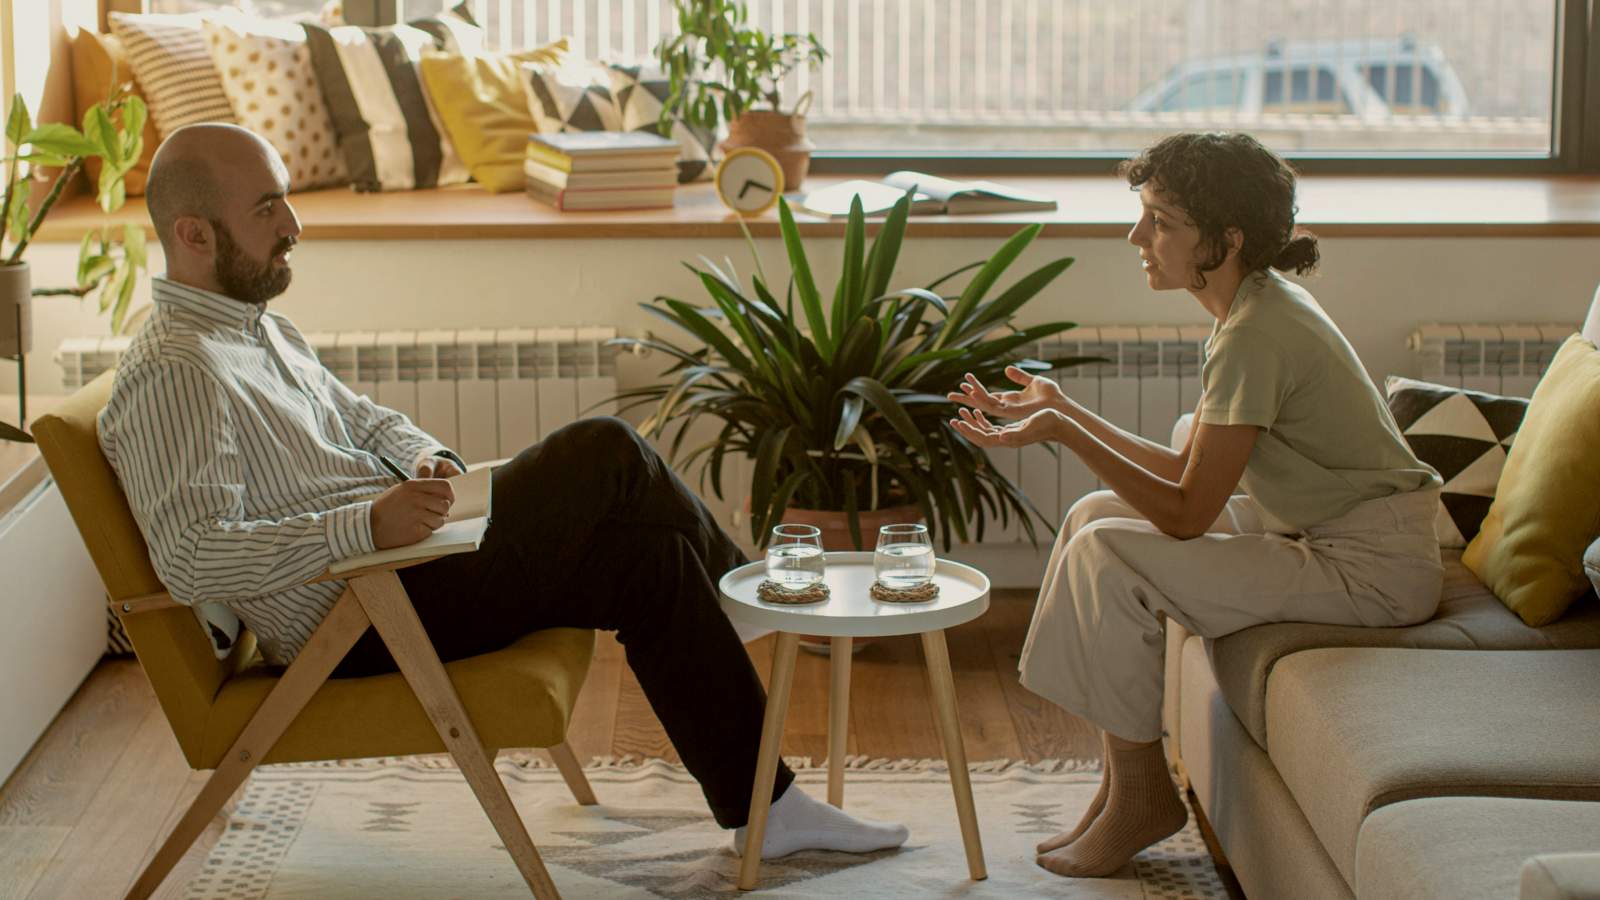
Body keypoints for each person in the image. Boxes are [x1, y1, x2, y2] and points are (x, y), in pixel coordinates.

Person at [99, 123, 908, 861]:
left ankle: (768, 811)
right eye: (267, 207)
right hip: (362, 616)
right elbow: (192, 557)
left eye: (285, 199)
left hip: (408, 564)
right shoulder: (177, 370)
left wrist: (429, 460)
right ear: (194, 234)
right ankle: (741, 599)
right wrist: (365, 526)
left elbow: (366, 420)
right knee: (603, 449)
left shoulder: (256, 328)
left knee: (652, 560)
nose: (294, 225)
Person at [947, 132, 1443, 878]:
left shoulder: (1256, 333)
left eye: (1160, 221)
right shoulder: (1253, 309)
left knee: (1108, 553)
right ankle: (1123, 787)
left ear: (1227, 238)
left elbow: (1187, 513)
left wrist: (1065, 433)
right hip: (1323, 533)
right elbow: (1189, 471)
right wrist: (1065, 411)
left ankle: (1143, 795)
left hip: (1371, 568)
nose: (1136, 237)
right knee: (1093, 517)